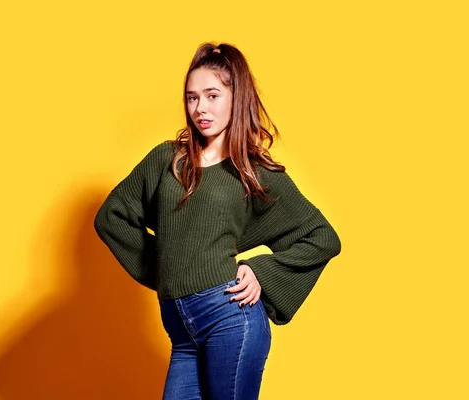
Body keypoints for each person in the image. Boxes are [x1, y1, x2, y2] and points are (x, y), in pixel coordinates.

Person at [94, 42, 342, 400]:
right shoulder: (168, 159)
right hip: (182, 333)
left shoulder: (252, 172)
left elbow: (322, 237)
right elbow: (111, 218)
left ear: (235, 97)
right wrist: (163, 267)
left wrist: (261, 271)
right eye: (192, 98)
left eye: (212, 95)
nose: (200, 108)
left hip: (229, 319)